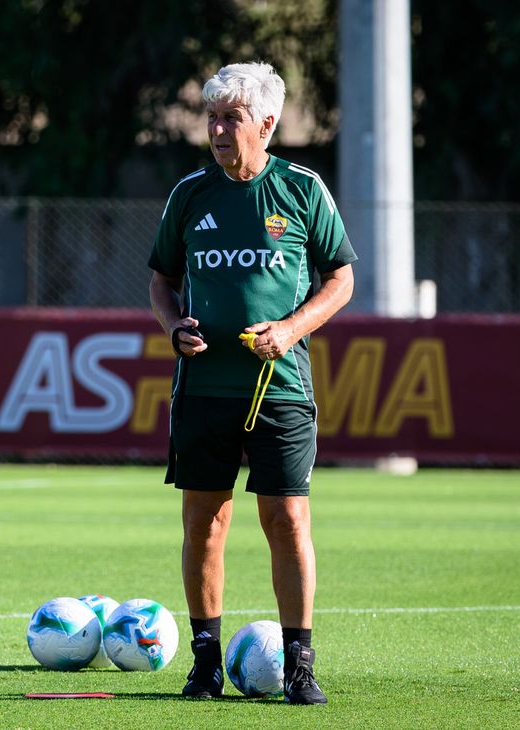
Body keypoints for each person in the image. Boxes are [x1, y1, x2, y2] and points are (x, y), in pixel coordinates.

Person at [147, 61, 356, 705]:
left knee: (287, 520)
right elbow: (161, 279)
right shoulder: (189, 194)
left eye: (230, 118)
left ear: (266, 124)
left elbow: (341, 280)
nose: (216, 128)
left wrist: (292, 329)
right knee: (203, 523)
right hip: (203, 388)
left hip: (281, 388)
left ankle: (299, 666)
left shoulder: (301, 189)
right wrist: (173, 325)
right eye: (211, 117)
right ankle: (205, 664)